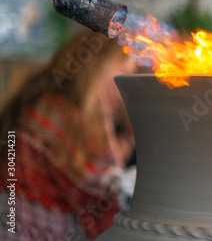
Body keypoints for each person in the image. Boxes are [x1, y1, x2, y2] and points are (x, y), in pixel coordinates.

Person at [0, 29, 136, 240]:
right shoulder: (57, 118)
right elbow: (108, 203)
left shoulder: (46, 105)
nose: (122, 93)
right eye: (121, 76)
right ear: (94, 66)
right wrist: (108, 127)